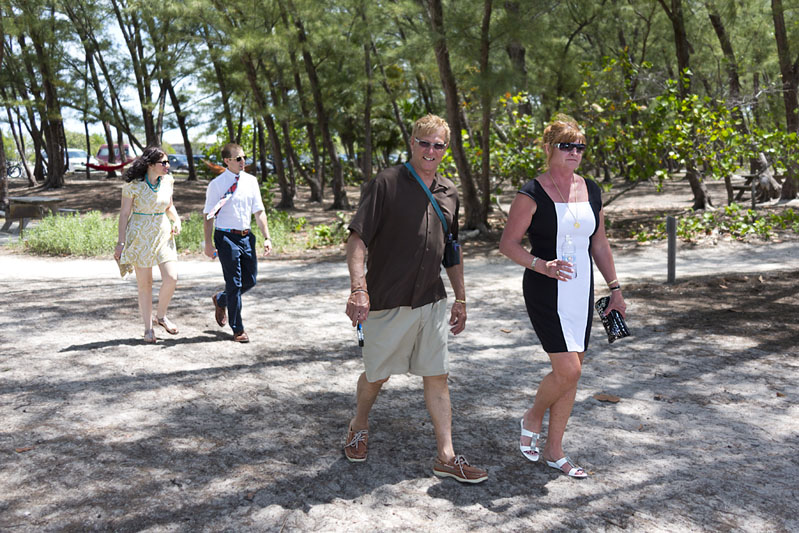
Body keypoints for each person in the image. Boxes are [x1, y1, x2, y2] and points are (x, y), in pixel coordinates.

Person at [343, 114, 487, 484]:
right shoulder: (386, 183)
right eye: (425, 142)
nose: (430, 150)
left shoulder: (449, 192)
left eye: (438, 145)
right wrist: (359, 288)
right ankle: (359, 425)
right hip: (388, 300)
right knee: (377, 376)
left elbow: (450, 249)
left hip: (432, 301)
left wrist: (461, 298)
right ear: (412, 142)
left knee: (437, 376)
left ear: (446, 149)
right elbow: (357, 239)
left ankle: (446, 455)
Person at [498, 114, 627, 478]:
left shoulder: (592, 189)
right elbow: (507, 244)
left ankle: (555, 451)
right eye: (566, 146)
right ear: (549, 148)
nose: (574, 152)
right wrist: (541, 265)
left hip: (580, 287)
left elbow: (598, 242)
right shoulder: (531, 193)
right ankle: (533, 415)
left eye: (579, 147)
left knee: (573, 373)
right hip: (544, 288)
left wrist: (614, 288)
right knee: (567, 368)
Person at [203, 143, 272, 343]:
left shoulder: (251, 182)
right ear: (227, 161)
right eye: (239, 159)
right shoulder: (217, 184)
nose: (244, 162)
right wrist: (208, 244)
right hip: (225, 237)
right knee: (234, 283)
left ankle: (221, 299)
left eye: (244, 158)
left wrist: (266, 237)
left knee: (250, 280)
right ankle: (237, 328)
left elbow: (259, 211)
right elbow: (208, 216)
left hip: (246, 236)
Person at [114, 146, 182, 344]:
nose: (168, 166)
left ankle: (161, 316)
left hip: (162, 233)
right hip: (140, 236)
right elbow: (125, 214)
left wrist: (176, 220)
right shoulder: (133, 186)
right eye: (164, 163)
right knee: (146, 284)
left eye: (168, 162)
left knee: (171, 277)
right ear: (151, 164)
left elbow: (169, 206)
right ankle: (148, 328)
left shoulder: (168, 181)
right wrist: (121, 243)